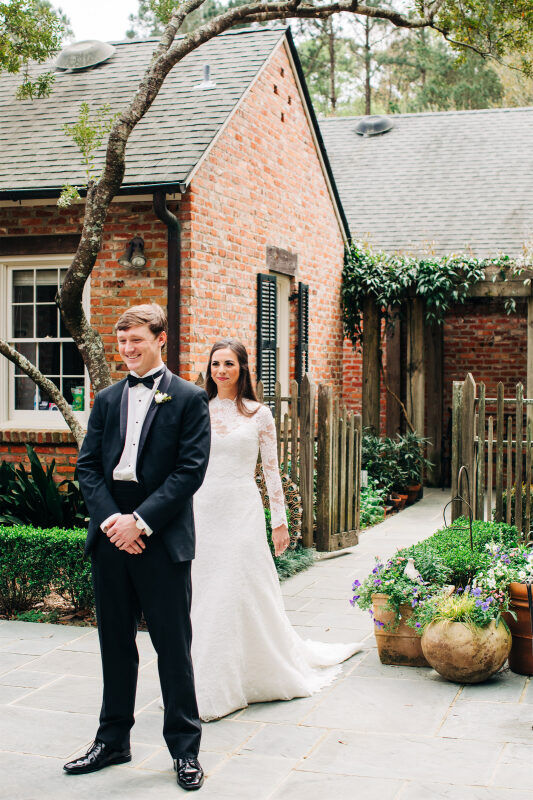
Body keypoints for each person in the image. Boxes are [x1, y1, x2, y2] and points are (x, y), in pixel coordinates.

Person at [64, 303, 210, 792]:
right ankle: (112, 741)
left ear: (160, 339)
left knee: (173, 648)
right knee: (114, 646)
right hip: (110, 536)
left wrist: (140, 522)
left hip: (161, 535)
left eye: (137, 341)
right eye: (122, 342)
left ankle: (185, 752)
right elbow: (87, 467)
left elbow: (190, 471)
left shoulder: (189, 398)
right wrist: (112, 522)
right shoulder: (106, 399)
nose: (128, 350)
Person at [190, 338, 363, 721]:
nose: (221, 371)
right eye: (216, 364)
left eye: (229, 364)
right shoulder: (195, 409)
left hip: (241, 511)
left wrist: (280, 521)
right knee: (204, 593)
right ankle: (205, 678)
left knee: (234, 589)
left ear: (243, 369)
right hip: (202, 511)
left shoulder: (258, 414)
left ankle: (239, 680)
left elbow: (271, 470)